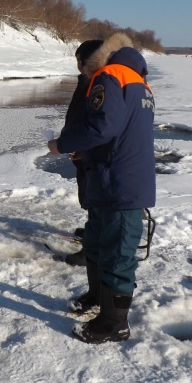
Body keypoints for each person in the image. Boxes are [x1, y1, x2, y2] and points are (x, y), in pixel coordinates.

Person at [47, 32, 155, 344]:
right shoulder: (135, 78)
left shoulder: (109, 76)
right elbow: (119, 133)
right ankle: (97, 296)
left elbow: (103, 126)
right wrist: (88, 152)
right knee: (97, 241)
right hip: (112, 174)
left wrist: (62, 144)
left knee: (118, 252)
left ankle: (114, 322)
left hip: (120, 182)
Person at [62, 39, 104, 268]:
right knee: (88, 194)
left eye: (78, 60)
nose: (77, 65)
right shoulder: (88, 80)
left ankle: (91, 249)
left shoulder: (99, 84)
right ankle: (91, 232)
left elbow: (95, 124)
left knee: (94, 197)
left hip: (91, 151)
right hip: (83, 150)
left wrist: (75, 144)